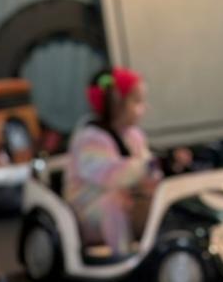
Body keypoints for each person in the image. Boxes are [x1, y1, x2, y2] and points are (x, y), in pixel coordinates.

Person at [64, 66, 191, 255]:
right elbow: (114, 176)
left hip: (126, 202)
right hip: (88, 212)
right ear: (116, 103)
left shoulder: (134, 135)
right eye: (137, 101)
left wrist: (168, 167)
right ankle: (122, 255)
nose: (145, 108)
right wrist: (151, 166)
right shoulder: (90, 139)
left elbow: (147, 170)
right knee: (114, 202)